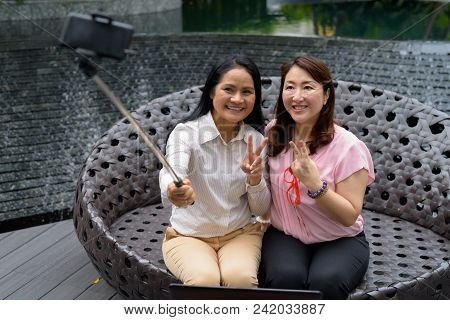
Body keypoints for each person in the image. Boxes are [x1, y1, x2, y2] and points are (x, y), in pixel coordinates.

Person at [258, 56, 375, 299]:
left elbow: (349, 216)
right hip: (285, 234)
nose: (296, 96)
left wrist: (314, 184)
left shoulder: (348, 148)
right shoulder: (273, 133)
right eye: (290, 87)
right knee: (285, 277)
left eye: (307, 87)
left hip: (339, 238)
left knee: (325, 282)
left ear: (325, 96)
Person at [159, 55, 271, 288]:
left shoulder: (256, 140)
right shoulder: (185, 133)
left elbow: (260, 209)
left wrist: (255, 178)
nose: (237, 99)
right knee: (204, 281)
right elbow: (173, 171)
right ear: (211, 92)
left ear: (255, 97)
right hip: (188, 237)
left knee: (241, 280)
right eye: (228, 89)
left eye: (247, 92)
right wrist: (175, 190)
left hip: (240, 234)